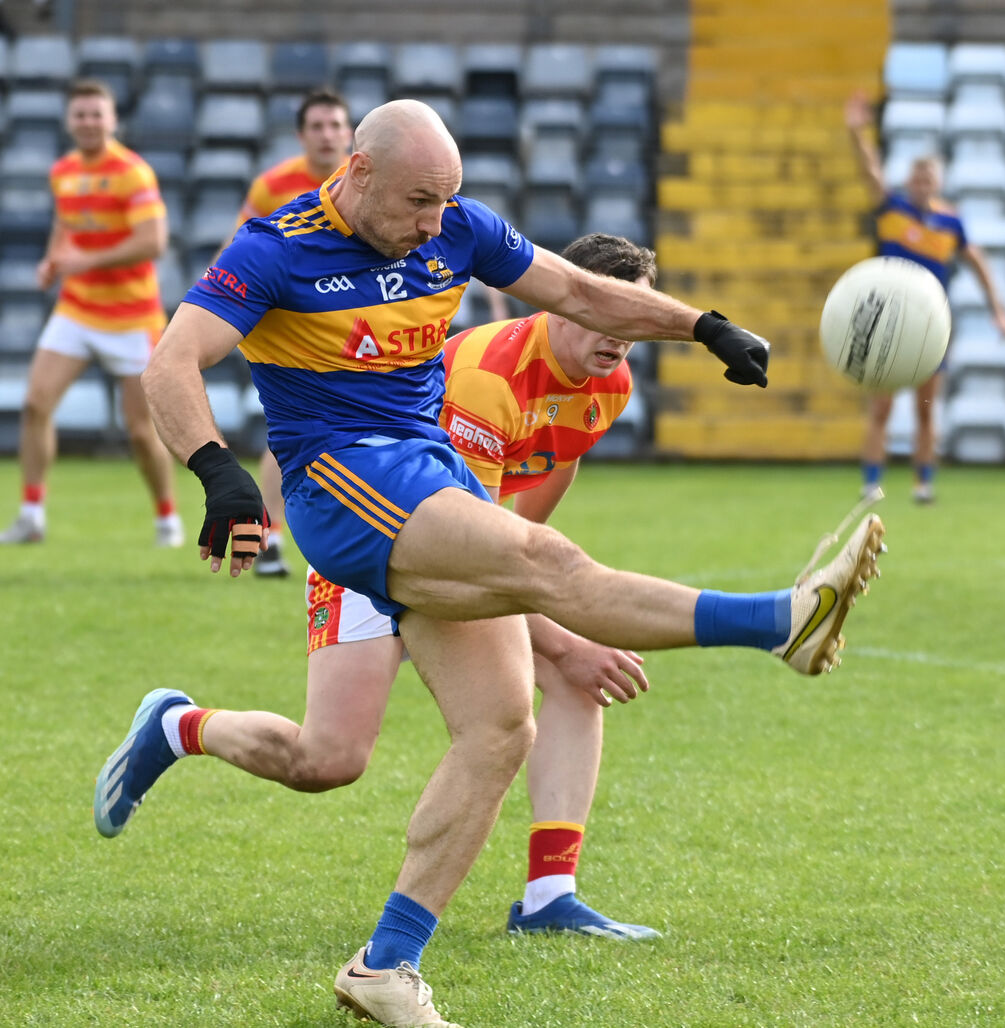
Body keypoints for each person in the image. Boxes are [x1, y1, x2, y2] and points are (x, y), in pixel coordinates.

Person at [95, 100, 886, 1028]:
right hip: (343, 485)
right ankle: (780, 622)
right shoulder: (274, 250)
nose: (435, 221)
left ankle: (378, 956)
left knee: (462, 735)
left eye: (448, 200)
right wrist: (218, 471)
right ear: (357, 172)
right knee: (547, 560)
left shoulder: (457, 230)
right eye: (419, 201)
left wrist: (703, 327)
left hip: (429, 482)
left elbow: (579, 289)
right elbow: (170, 363)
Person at [300, 232, 661, 942]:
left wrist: (543, 582)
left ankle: (550, 897)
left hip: (459, 552)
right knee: (326, 759)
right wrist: (562, 624)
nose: (619, 333)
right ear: (561, 301)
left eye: (634, 316)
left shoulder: (611, 383)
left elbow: (548, 475)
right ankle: (179, 727)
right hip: (375, 543)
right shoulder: (489, 377)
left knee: (565, 683)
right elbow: (474, 557)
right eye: (604, 310)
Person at [0, 78, 182, 547]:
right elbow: (65, 224)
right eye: (80, 114)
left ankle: (167, 517)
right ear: (69, 121)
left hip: (132, 317)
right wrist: (53, 260)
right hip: (77, 308)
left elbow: (153, 242)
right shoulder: (63, 170)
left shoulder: (132, 172)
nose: (88, 122)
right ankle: (31, 514)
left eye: (96, 114)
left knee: (140, 431)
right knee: (35, 404)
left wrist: (86, 260)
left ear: (112, 119)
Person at [844, 90, 1005, 504]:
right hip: (889, 319)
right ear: (909, 182)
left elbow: (977, 262)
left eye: (929, 180)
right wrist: (857, 134)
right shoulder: (892, 209)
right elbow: (870, 171)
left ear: (938, 184)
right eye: (917, 179)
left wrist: (998, 310)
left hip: (931, 323)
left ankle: (923, 484)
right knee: (881, 408)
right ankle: (871, 485)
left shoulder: (951, 222)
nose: (922, 186)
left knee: (925, 407)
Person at [224, 88, 355, 578]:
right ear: (301, 135)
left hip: (358, 329)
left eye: (335, 125)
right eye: (317, 126)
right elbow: (240, 248)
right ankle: (273, 538)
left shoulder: (367, 180)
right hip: (291, 331)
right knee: (290, 433)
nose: (327, 135)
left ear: (350, 133)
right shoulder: (272, 186)